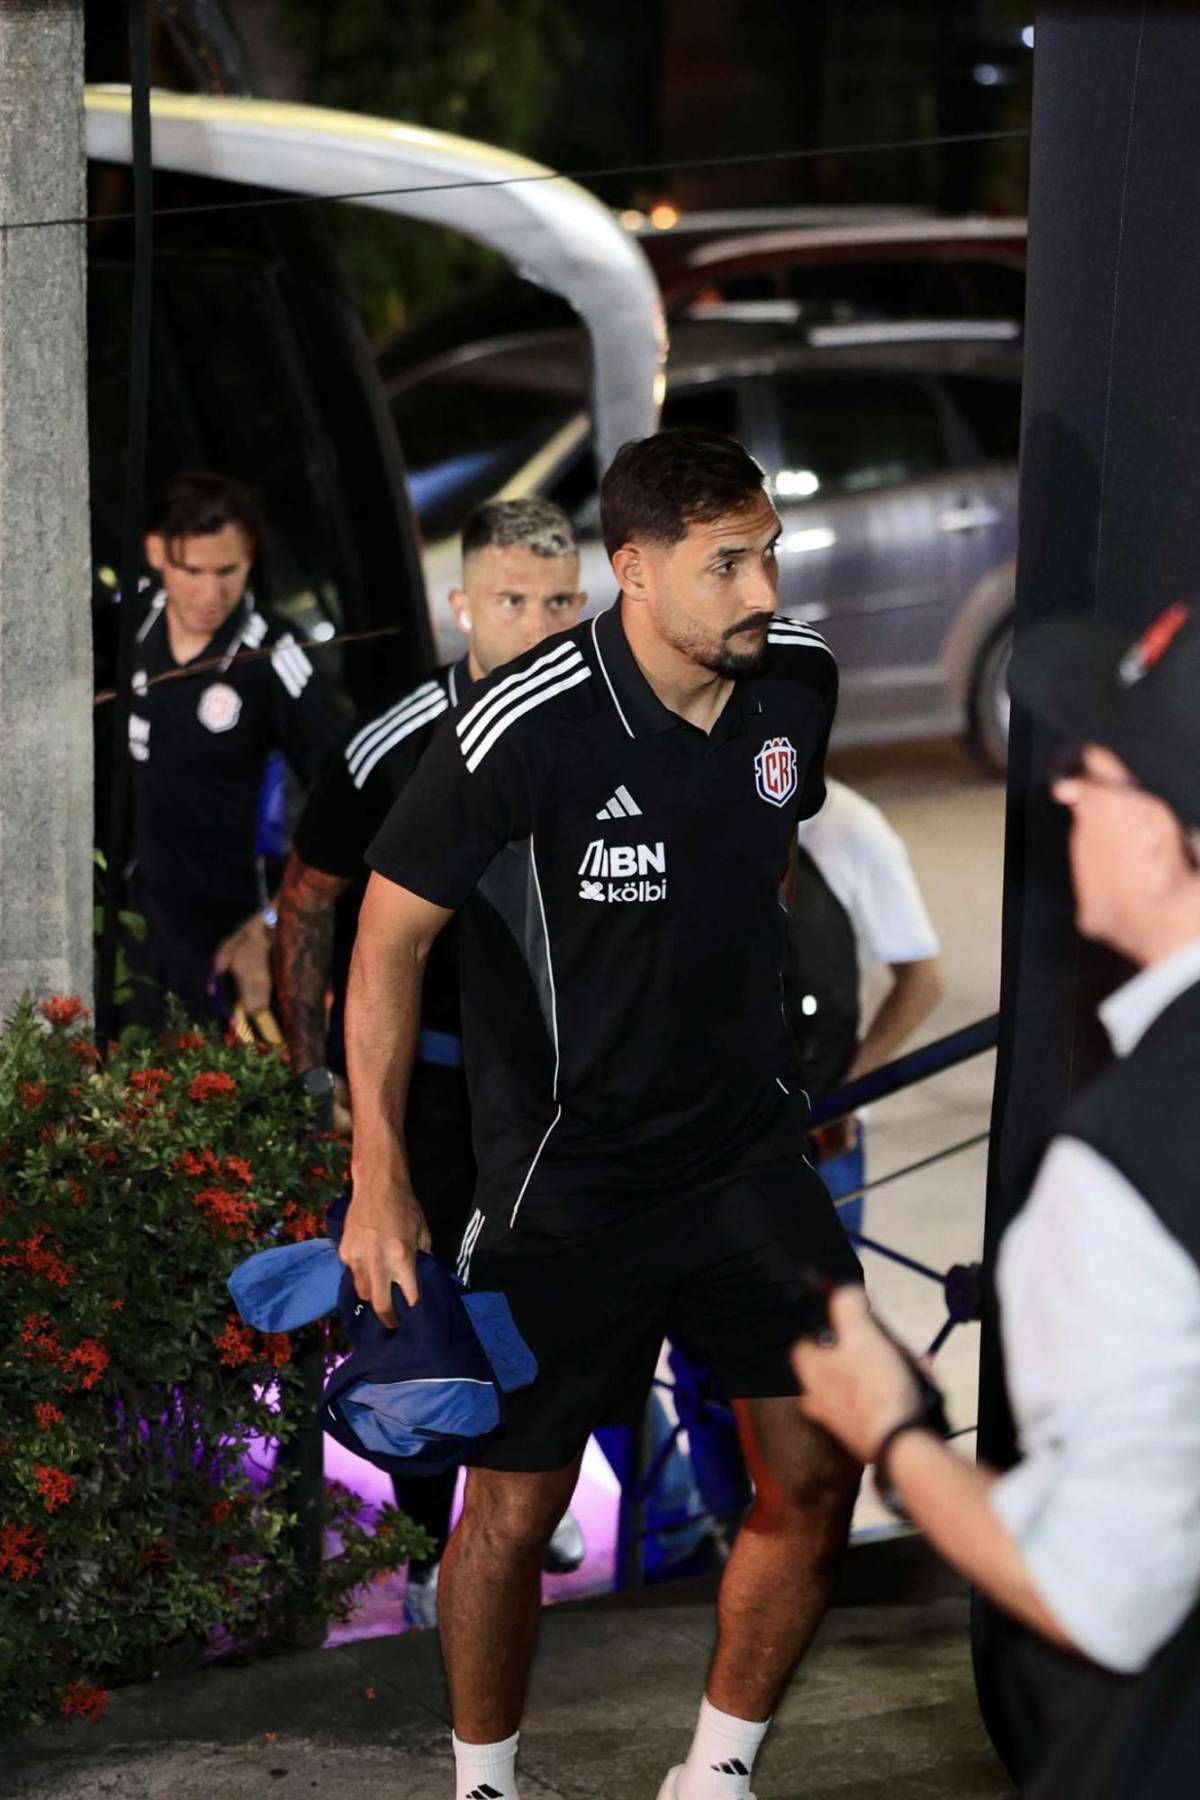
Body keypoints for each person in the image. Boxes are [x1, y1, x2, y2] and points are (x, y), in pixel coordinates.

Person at [343, 427, 863, 1800]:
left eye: (770, 555)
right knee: (509, 1515)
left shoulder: (794, 680)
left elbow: (768, 857)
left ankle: (717, 1774)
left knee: (816, 1474)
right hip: (567, 1191)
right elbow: (386, 944)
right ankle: (487, 1783)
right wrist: (380, 1174)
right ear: (633, 571)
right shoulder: (525, 725)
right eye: (729, 565)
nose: (765, 592)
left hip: (749, 1161)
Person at [795, 602, 1200, 1797]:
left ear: (1182, 835)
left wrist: (896, 1434)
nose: (1064, 794)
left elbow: (1099, 1596)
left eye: (1103, 771)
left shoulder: (1125, 1167)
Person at [275, 497, 589, 1626]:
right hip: (441, 1087)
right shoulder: (400, 738)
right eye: (515, 602)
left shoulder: (612, 719)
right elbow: (309, 897)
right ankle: (420, 1565)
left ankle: (523, 1515)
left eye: (562, 602)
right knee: (429, 1318)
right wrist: (327, 1092)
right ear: (464, 607)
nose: (544, 626)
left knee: (559, 1313)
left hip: (574, 1092)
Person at [123, 470, 348, 1027]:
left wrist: (275, 922)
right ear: (157, 553)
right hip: (139, 930)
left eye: (229, 570)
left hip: (234, 943)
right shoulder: (128, 626)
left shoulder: (274, 652)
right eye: (191, 571)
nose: (210, 593)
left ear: (252, 559)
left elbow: (349, 796)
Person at [788, 779, 946, 1235]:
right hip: (710, 1127)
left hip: (817, 1127)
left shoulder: (850, 829)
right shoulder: (697, 802)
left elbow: (924, 979)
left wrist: (849, 1091)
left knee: (826, 1298)